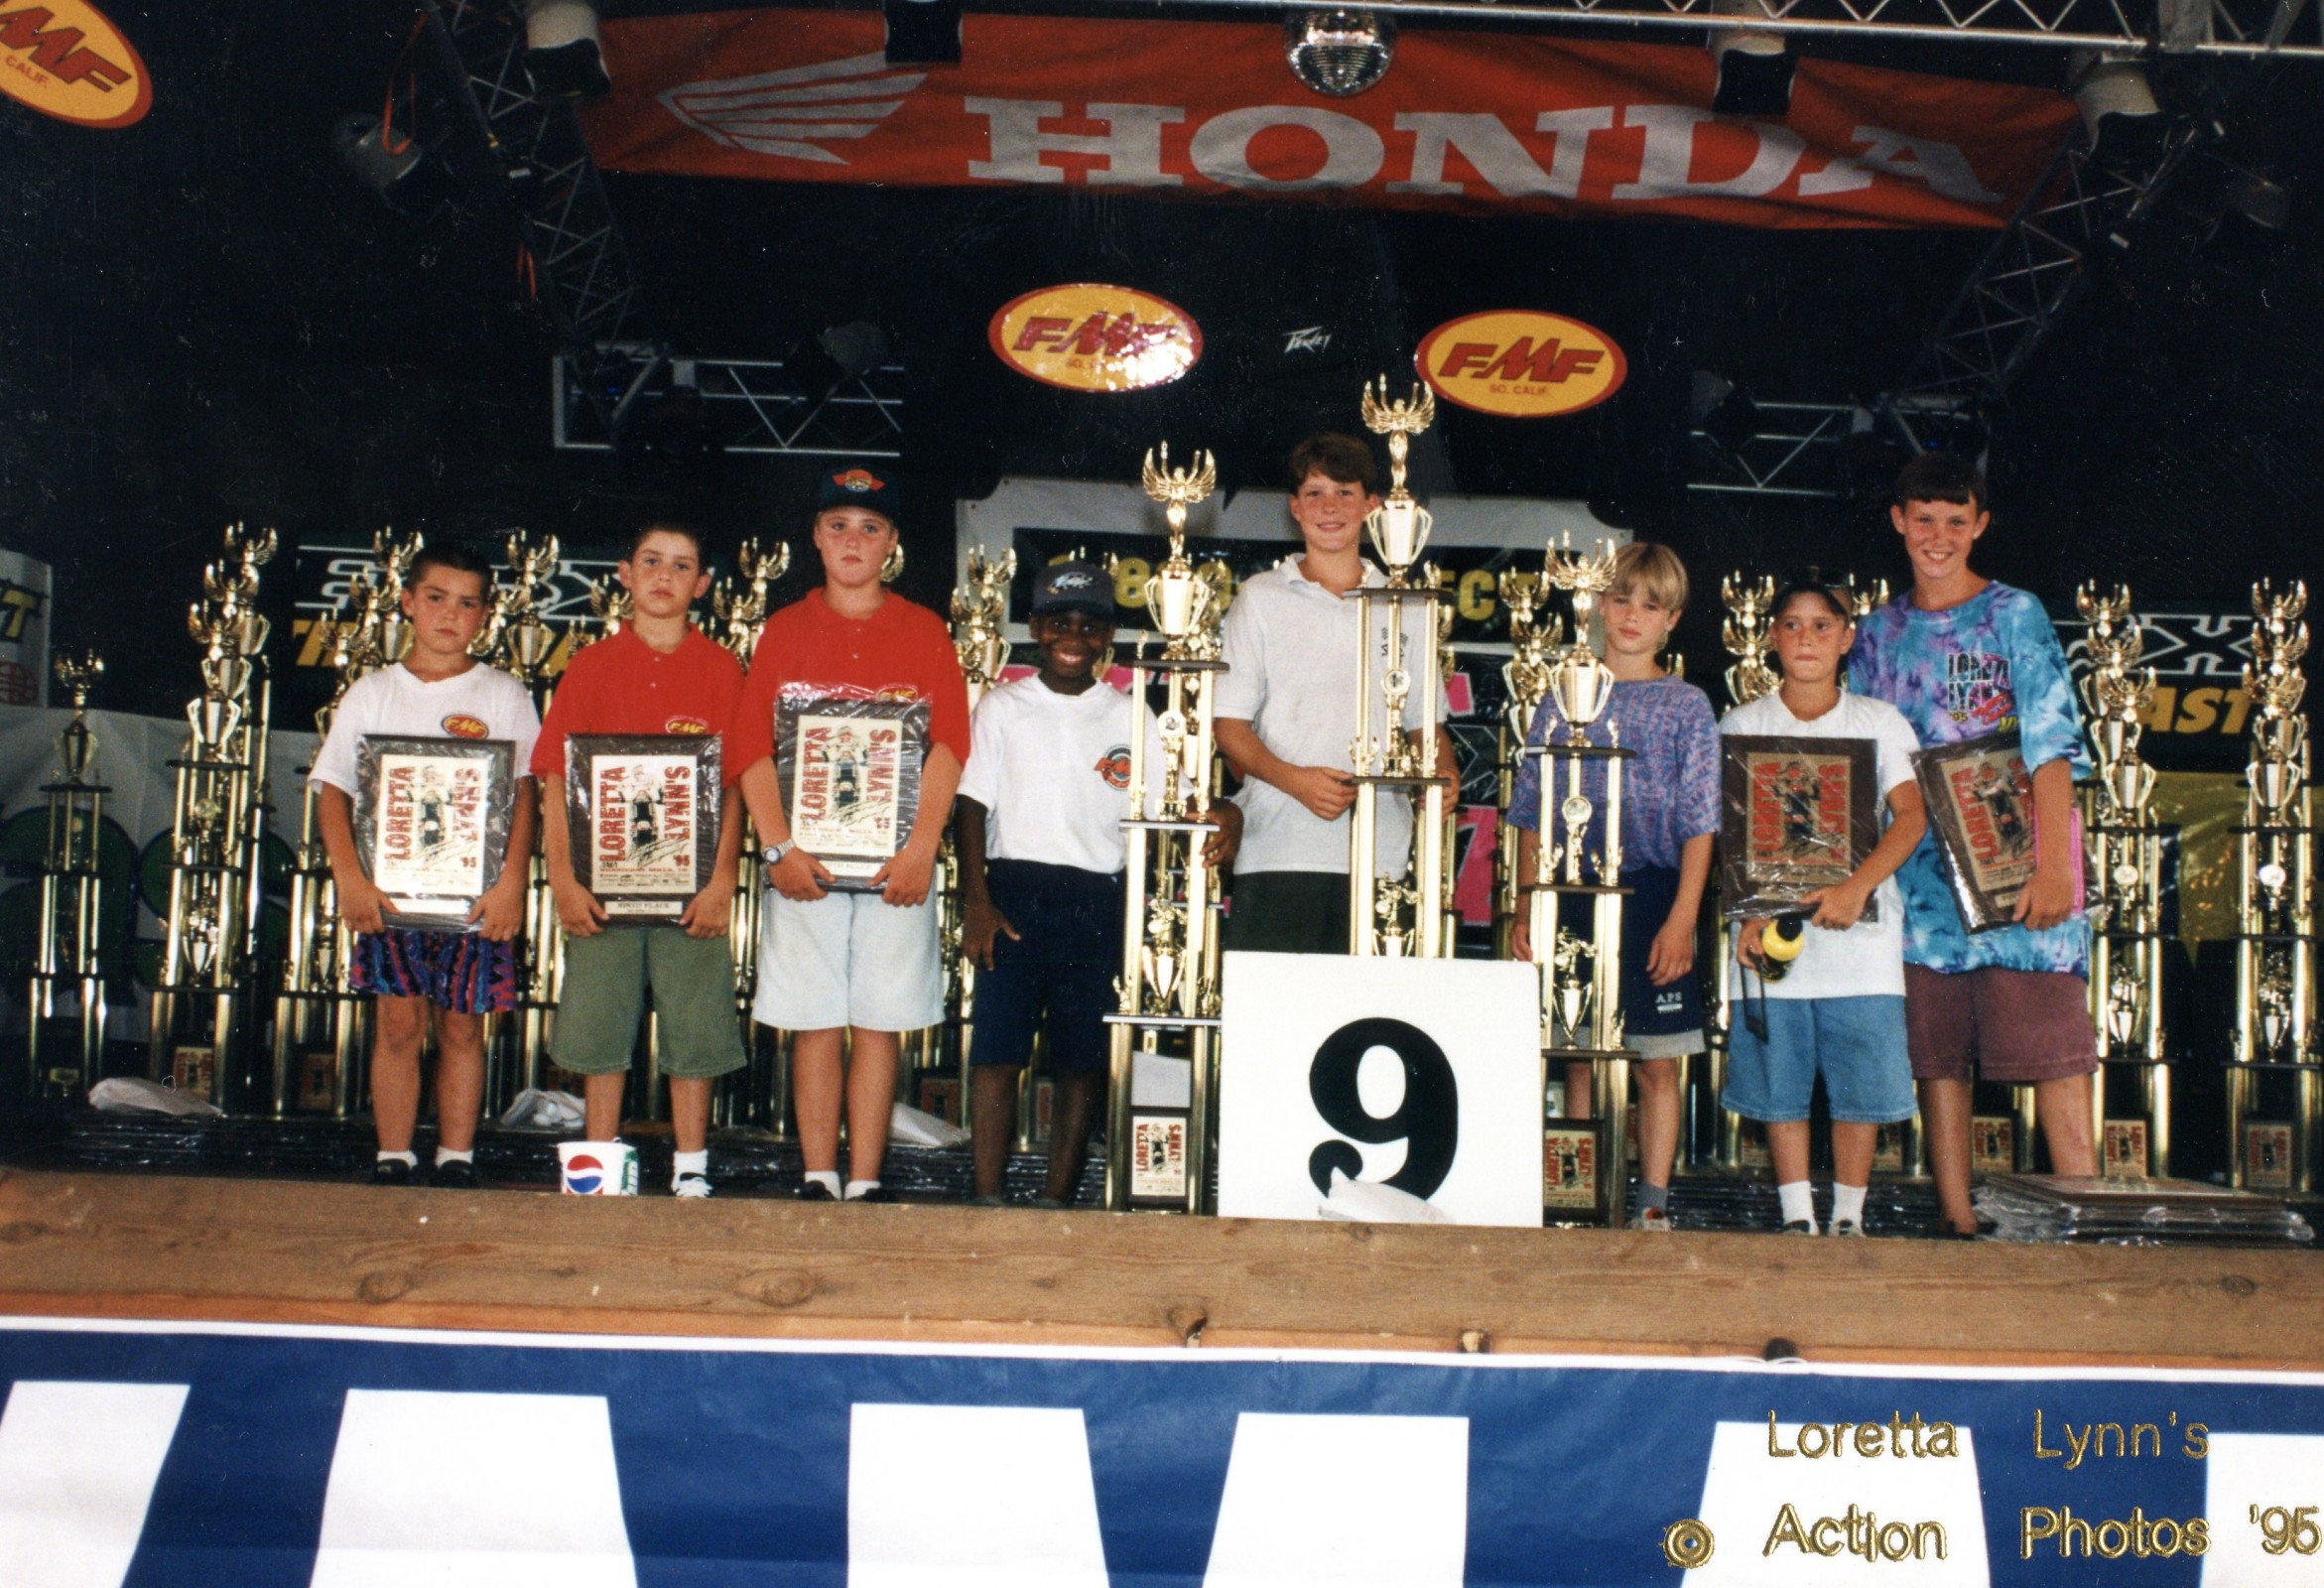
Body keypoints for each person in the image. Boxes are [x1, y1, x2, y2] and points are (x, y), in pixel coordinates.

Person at [1847, 453, 2098, 1236]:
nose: (1939, 536)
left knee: (2053, 1051)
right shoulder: (1876, 633)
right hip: (1919, 883)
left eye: (1957, 521)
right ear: (1898, 521)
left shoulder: (2014, 614)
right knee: (1938, 1055)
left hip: (2018, 861)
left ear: (1980, 525)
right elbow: (1863, 758)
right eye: (1924, 519)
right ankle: (1958, 1224)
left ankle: (2086, 1224)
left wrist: (2056, 864)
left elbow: (2053, 745)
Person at [954, 561, 1241, 1206]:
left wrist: (1229, 810)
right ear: (1034, 627)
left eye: (1089, 625)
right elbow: (970, 806)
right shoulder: (1003, 707)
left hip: (1097, 899)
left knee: (1082, 1059)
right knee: (997, 1053)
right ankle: (985, 1195)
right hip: (1013, 895)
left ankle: (1058, 1198)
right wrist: (977, 900)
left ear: (1108, 634)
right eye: (1060, 623)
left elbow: (1187, 797)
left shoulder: (1132, 715)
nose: (1073, 637)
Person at [731, 467, 970, 1202]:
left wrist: (923, 847)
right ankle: (816, 1174)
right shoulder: (785, 629)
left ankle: (864, 1179)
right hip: (804, 862)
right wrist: (778, 849)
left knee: (877, 1025)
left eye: (870, 528)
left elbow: (949, 746)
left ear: (892, 543)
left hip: (896, 864)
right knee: (813, 1023)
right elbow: (749, 747)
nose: (853, 541)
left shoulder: (925, 629)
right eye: (839, 525)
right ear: (815, 536)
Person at [311, 543, 539, 1187]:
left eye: (467, 604)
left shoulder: (503, 693)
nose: (449, 615)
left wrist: (512, 882)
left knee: (463, 1027)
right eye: (436, 598)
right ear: (407, 602)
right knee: (397, 1022)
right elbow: (332, 790)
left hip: (473, 896)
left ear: (486, 616)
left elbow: (525, 792)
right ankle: (392, 1154)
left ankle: (457, 1156)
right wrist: (350, 879)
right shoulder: (373, 692)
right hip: (391, 893)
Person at [1507, 542, 1719, 1231]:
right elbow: (1531, 808)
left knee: (1657, 1062)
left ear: (1672, 620)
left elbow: (1699, 821)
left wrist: (1683, 917)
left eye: (1650, 606)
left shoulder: (1688, 706)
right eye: (1621, 599)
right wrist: (1526, 902)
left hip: (1655, 893)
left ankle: (1653, 1201)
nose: (1631, 616)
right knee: (1578, 1055)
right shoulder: (1561, 696)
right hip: (1568, 890)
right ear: (1598, 604)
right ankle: (1575, 1194)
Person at [534, 522, 746, 1198]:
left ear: (703, 585)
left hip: (692, 892)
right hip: (602, 888)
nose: (664, 576)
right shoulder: (592, 666)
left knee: (695, 1024)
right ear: (624, 572)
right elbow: (556, 781)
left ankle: (690, 1170)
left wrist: (722, 881)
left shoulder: (722, 669)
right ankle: (597, 1167)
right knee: (600, 1027)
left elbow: (737, 783)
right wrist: (562, 879)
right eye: (651, 561)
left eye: (682, 566)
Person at [1723, 577, 1928, 1236]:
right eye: (1791, 624)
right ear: (1771, 637)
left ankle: (1847, 1217)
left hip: (1860, 944)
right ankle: (1796, 1217)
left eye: (1821, 625)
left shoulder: (1879, 722)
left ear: (1847, 639)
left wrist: (1855, 886)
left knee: (1860, 1086)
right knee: (1777, 1084)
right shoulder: (1744, 725)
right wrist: (1745, 912)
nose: (1805, 637)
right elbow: (1728, 834)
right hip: (1770, 939)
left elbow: (1911, 818)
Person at [1214, 434, 1452, 954]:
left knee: (1368, 1029)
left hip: (1382, 854)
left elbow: (1424, 725)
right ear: (1294, 507)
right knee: (1276, 1027)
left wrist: (1445, 776)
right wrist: (1296, 782)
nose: (1329, 508)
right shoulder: (1260, 598)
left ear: (1372, 505)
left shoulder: (1406, 605)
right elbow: (1228, 727)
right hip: (1278, 849)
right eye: (1315, 493)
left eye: (1345, 492)